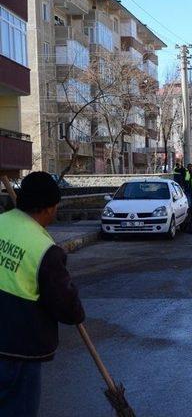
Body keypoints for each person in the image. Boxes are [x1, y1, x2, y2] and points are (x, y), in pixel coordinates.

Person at [0, 172, 85, 416]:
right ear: (48, 208)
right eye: (56, 206)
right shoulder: (45, 249)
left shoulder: (1, 223)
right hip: (16, 351)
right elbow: (68, 309)